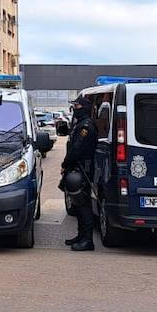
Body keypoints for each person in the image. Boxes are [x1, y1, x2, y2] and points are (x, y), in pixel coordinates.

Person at [61, 98, 98, 251]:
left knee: (83, 205)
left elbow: (76, 149)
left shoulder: (86, 126)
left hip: (83, 169)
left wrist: (66, 163)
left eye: (77, 106)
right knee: (77, 203)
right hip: (78, 167)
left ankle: (87, 240)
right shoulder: (80, 123)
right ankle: (81, 236)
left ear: (85, 108)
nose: (74, 108)